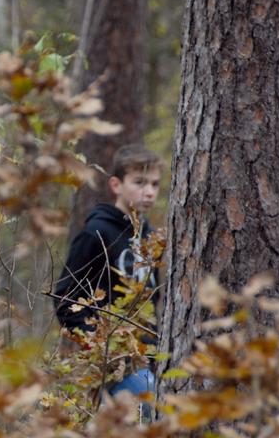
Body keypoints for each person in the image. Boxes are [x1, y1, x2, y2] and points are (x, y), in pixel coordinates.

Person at [52, 144, 162, 416]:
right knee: (150, 402)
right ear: (116, 184)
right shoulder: (96, 232)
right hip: (110, 364)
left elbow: (153, 300)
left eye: (155, 184)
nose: (149, 192)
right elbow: (65, 298)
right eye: (139, 182)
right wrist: (101, 346)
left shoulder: (149, 238)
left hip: (148, 359)